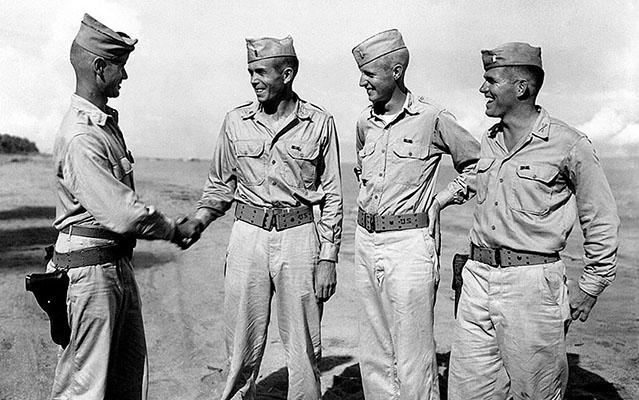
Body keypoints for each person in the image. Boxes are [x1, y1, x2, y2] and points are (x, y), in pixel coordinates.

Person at [448, 42, 620, 400]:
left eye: (491, 80)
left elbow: (600, 218)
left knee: (536, 392)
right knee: (468, 391)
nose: (483, 89)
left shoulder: (569, 144)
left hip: (531, 286)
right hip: (477, 278)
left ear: (521, 88)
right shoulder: (489, 140)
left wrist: (591, 285)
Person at [184, 35, 343, 399]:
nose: (254, 80)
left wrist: (328, 257)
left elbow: (332, 194)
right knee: (240, 345)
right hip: (247, 237)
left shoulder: (319, 122)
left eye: (261, 72)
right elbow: (218, 187)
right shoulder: (235, 121)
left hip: (300, 237)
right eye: (250, 72)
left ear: (286, 75)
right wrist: (199, 220)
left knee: (303, 348)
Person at [48, 14, 196, 400]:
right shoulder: (82, 135)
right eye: (120, 68)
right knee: (83, 389)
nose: (124, 78)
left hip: (111, 265)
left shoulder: (103, 125)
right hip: (90, 274)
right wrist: (173, 230)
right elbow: (122, 214)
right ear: (100, 68)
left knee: (124, 383)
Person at [351, 29, 480, 399]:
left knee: (413, 354)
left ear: (396, 71)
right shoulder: (365, 123)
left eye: (370, 74)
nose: (362, 82)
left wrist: (440, 200)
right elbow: (365, 172)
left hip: (409, 244)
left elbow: (477, 166)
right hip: (365, 240)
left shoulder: (432, 117)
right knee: (375, 351)